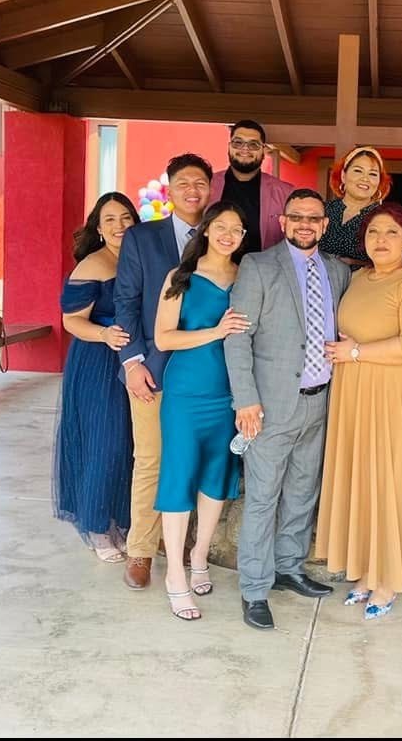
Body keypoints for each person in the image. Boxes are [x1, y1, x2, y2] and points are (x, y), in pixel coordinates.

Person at [224, 188, 352, 630]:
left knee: (302, 492)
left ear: (325, 225)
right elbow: (238, 336)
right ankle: (255, 588)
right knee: (263, 498)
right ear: (283, 222)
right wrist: (246, 399)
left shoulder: (338, 271)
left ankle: (288, 568)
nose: (305, 224)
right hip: (271, 405)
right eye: (297, 216)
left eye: (313, 218)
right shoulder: (258, 266)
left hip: (320, 401)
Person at [317, 202, 402, 621]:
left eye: (392, 232)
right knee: (362, 480)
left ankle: (389, 577)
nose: (381, 240)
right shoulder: (357, 279)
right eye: (373, 232)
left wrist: (356, 352)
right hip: (355, 393)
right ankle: (366, 569)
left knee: (391, 482)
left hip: (397, 395)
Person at [114, 153, 212, 591]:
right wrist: (132, 362)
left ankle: (182, 547)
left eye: (200, 183)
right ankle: (140, 550)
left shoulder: (220, 236)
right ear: (169, 189)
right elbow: (126, 302)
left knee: (194, 461)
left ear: (210, 189)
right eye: (184, 183)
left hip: (204, 371)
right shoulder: (142, 238)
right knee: (151, 459)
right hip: (151, 370)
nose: (193, 190)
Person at [152, 202, 250, 620]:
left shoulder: (247, 276)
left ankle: (199, 555)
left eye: (237, 229)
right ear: (206, 230)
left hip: (231, 392)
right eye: (221, 226)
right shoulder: (181, 277)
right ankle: (175, 574)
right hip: (187, 392)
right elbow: (163, 339)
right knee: (179, 475)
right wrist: (216, 331)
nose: (229, 235)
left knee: (216, 476)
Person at [53, 192, 139, 562]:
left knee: (128, 443)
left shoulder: (137, 257)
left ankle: (118, 520)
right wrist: (104, 334)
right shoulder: (93, 265)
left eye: (125, 217)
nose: (119, 225)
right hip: (98, 361)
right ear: (99, 228)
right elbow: (71, 321)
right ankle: (96, 526)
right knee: (104, 442)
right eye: (110, 220)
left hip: (133, 359)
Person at [209, 119, 294, 253]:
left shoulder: (285, 193)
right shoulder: (208, 185)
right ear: (229, 147)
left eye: (253, 144)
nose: (245, 149)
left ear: (263, 150)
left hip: (265, 266)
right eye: (238, 142)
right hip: (214, 266)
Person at [318, 146, 391, 266]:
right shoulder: (323, 210)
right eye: (358, 171)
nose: (365, 178)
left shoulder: (384, 217)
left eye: (373, 174)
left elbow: (392, 262)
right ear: (343, 176)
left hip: (363, 278)